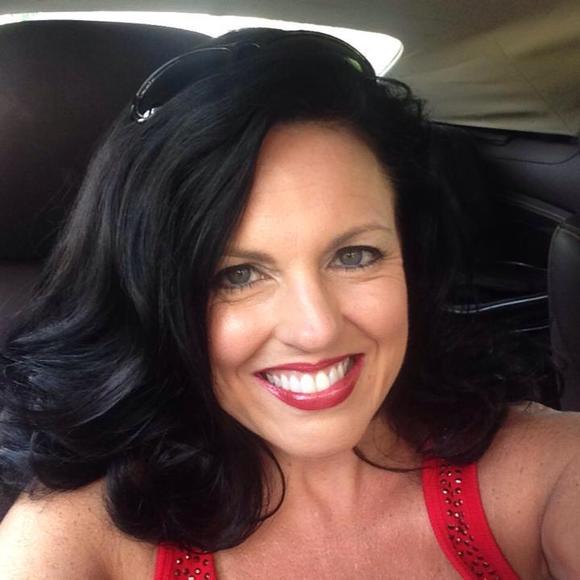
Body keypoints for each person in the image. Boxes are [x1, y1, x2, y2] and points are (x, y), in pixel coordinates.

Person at [0, 27, 578, 579]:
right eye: (238, 274)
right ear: (155, 300)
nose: (316, 328)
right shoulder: (72, 540)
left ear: (411, 256)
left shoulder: (547, 468)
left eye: (354, 255)